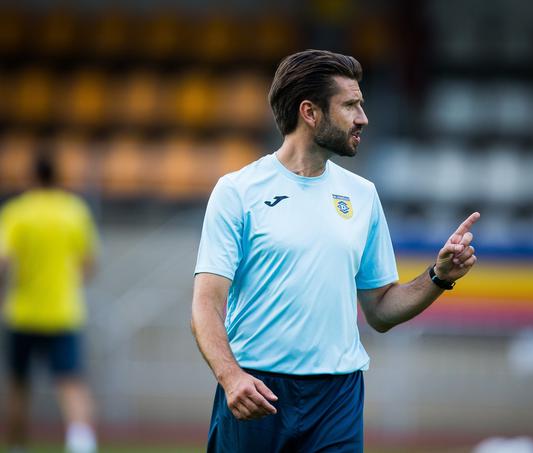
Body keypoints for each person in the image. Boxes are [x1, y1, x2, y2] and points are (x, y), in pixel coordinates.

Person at [191, 49, 479, 452]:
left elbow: (380, 309)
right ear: (310, 113)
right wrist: (230, 377)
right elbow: (206, 305)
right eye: (350, 105)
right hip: (255, 391)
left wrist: (439, 277)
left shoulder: (362, 195)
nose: (363, 117)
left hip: (337, 399)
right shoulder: (237, 191)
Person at [0, 152, 99, 453]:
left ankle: (17, 446)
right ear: (58, 177)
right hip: (63, 312)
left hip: (22, 312)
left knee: (19, 383)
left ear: (31, 177)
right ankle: (81, 444)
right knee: (71, 383)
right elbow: (88, 264)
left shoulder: (18, 212)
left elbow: (3, 262)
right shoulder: (74, 211)